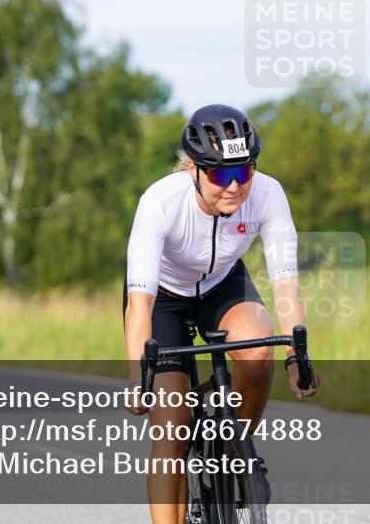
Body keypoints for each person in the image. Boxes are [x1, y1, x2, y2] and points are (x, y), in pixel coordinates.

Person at [123, 104, 320, 524]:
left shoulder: (268, 195)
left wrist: (296, 355)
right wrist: (138, 378)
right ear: (192, 169)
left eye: (243, 172)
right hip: (164, 298)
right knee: (172, 432)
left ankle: (235, 454)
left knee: (258, 352)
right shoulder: (159, 202)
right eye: (220, 175)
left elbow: (286, 283)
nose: (234, 187)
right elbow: (139, 301)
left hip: (222, 286)